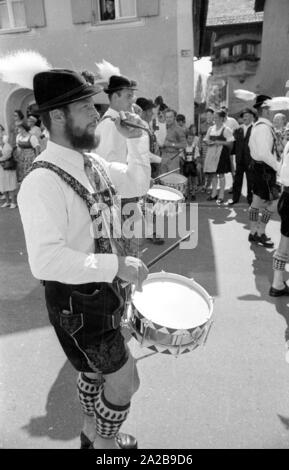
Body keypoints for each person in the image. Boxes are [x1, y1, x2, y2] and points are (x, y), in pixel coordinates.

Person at [17, 68, 151, 450]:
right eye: (86, 107)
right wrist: (116, 265)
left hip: (103, 291)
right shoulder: (42, 181)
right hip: (77, 302)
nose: (97, 114)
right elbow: (44, 263)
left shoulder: (91, 162)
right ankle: (106, 446)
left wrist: (138, 141)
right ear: (57, 116)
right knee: (126, 382)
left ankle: (91, 434)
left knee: (93, 374)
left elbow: (138, 185)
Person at [248, 95, 282, 248]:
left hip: (259, 169)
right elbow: (264, 153)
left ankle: (253, 232)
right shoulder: (263, 128)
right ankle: (260, 232)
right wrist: (278, 167)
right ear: (266, 110)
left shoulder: (260, 126)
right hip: (265, 170)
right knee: (273, 202)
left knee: (256, 202)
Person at [96, 74, 137, 163]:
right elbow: (107, 164)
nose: (132, 101)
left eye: (132, 96)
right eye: (128, 96)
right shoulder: (110, 124)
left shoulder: (117, 121)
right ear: (115, 97)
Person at [269, 130, 289, 296]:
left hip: (286, 195)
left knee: (284, 243)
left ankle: (278, 283)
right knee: (284, 244)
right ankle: (277, 283)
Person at [203, 110, 234, 204]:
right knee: (213, 173)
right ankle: (214, 193)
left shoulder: (226, 129)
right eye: (214, 117)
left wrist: (220, 142)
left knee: (221, 174)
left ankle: (221, 195)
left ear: (221, 118)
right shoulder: (211, 128)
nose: (214, 119)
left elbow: (231, 144)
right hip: (211, 152)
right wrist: (207, 141)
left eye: (216, 117)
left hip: (221, 153)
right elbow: (206, 138)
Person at [228, 107, 256, 206]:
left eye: (247, 116)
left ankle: (250, 200)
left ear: (252, 117)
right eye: (243, 116)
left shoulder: (255, 129)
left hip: (251, 160)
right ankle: (235, 198)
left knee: (251, 181)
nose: (245, 118)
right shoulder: (237, 129)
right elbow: (234, 144)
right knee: (237, 180)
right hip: (239, 159)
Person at [160, 108, 187, 173]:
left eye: (170, 117)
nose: (168, 119)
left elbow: (184, 144)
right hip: (163, 156)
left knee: (173, 179)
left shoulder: (179, 129)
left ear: (174, 117)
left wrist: (171, 144)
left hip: (173, 157)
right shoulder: (163, 128)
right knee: (163, 179)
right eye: (167, 117)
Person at [0, 128, 17, 208]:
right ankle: (7, 201)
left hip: (8, 166)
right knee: (2, 184)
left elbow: (7, 155)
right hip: (1, 168)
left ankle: (13, 202)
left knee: (10, 183)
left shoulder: (7, 145)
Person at [181, 130, 200, 201]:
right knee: (186, 180)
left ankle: (193, 194)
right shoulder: (184, 147)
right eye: (189, 138)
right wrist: (183, 163)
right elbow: (181, 157)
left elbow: (197, 157)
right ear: (186, 139)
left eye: (192, 138)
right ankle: (186, 194)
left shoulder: (195, 147)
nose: (190, 140)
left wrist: (197, 164)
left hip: (193, 164)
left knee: (193, 180)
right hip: (186, 164)